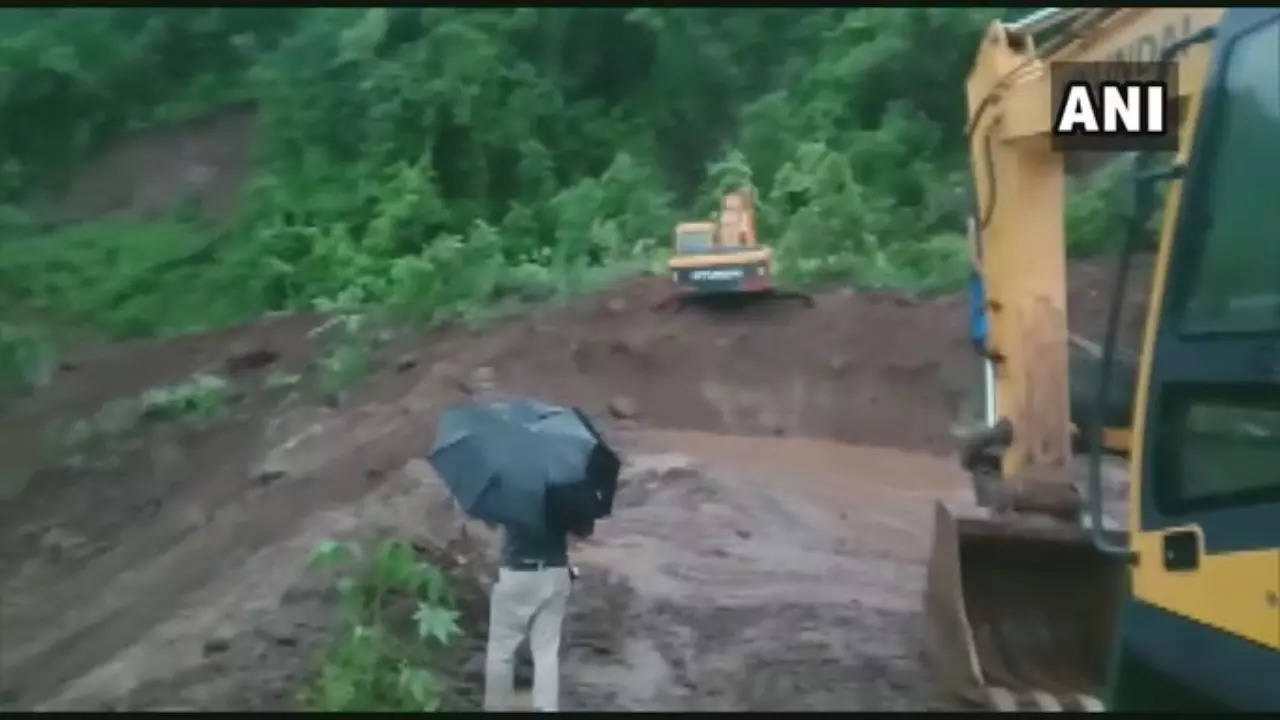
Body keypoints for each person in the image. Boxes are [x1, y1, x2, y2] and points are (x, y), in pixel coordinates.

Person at [483, 517, 593, 712]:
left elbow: (491, 520)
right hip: (555, 572)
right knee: (546, 653)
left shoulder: (509, 489)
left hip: (515, 571)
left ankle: (495, 707)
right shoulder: (563, 489)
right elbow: (584, 529)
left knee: (501, 651)